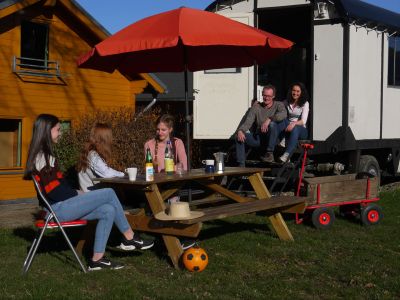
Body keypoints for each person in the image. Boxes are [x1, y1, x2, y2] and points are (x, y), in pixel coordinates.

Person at [24, 114, 154, 271]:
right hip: (57, 210)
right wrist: (80, 195)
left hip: (59, 207)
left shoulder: (45, 156)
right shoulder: (43, 158)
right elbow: (56, 192)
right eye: (58, 129)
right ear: (47, 131)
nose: (60, 133)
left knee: (108, 210)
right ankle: (130, 237)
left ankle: (97, 260)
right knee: (108, 193)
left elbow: (60, 186)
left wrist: (79, 194)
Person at [144, 114, 194, 250]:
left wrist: (178, 166)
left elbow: (185, 165)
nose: (159, 132)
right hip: (156, 184)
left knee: (173, 203)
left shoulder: (177, 143)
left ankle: (178, 236)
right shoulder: (149, 144)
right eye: (158, 129)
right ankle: (166, 237)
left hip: (172, 183)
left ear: (170, 129)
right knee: (157, 205)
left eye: (163, 130)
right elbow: (148, 168)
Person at [236, 84, 287, 165]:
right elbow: (248, 121)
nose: (266, 98)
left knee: (272, 124)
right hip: (260, 138)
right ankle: (241, 165)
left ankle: (269, 153)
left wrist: (269, 119)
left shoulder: (279, 105)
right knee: (240, 135)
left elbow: (284, 114)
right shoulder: (256, 107)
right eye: (264, 95)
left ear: (273, 96)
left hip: (273, 139)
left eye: (269, 96)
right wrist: (241, 130)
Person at [77, 123, 124, 192]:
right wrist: (123, 174)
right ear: (104, 139)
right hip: (91, 196)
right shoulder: (93, 155)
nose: (112, 139)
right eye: (110, 137)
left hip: (89, 194)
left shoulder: (90, 153)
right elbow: (106, 173)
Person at [279, 82, 310, 163]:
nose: (295, 93)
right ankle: (282, 139)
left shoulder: (305, 103)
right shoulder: (286, 102)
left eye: (298, 91)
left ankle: (287, 155)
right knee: (282, 119)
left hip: (301, 130)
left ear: (301, 92)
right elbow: (278, 107)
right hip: (289, 126)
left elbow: (303, 121)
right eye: (294, 90)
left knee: (295, 128)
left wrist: (293, 124)